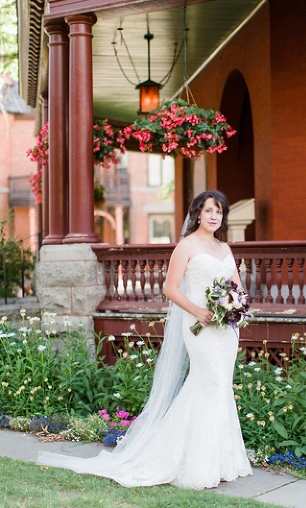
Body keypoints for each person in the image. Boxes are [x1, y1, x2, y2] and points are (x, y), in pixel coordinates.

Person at [39, 190, 252, 489]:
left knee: (219, 388)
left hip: (225, 330)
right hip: (198, 326)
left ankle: (221, 460)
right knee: (209, 383)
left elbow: (236, 288)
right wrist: (200, 311)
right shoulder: (186, 246)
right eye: (208, 211)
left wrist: (234, 308)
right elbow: (170, 289)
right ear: (198, 214)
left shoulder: (224, 247)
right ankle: (196, 463)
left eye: (219, 211)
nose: (214, 216)